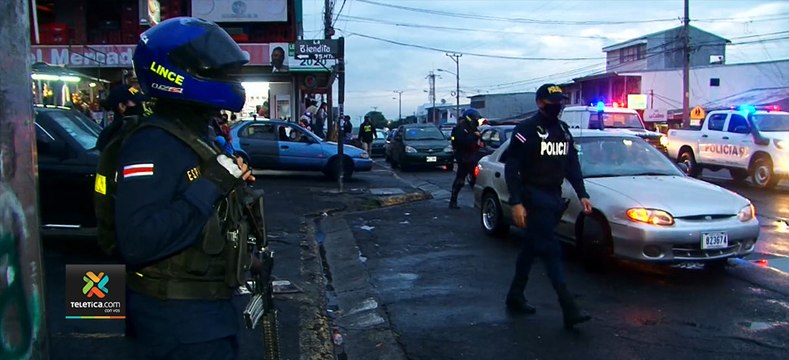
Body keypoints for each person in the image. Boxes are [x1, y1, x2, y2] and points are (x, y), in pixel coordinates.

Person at [104, 17, 256, 358]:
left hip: (208, 315)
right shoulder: (152, 143)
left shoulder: (196, 135)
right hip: (177, 325)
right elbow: (138, 241)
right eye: (218, 72)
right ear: (174, 73)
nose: (229, 80)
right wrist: (212, 184)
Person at [503, 83, 593, 330]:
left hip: (554, 196)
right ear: (540, 103)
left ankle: (515, 295)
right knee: (551, 250)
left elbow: (571, 164)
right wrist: (516, 201)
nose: (558, 105)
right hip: (533, 195)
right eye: (552, 101)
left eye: (560, 101)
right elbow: (512, 167)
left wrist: (582, 193)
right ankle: (569, 307)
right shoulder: (526, 130)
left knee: (531, 248)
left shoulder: (562, 130)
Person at [448, 108, 483, 209]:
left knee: (474, 179)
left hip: (471, 156)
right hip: (464, 157)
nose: (477, 120)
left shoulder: (471, 127)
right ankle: (453, 201)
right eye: (475, 118)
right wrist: (474, 136)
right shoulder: (461, 128)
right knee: (462, 179)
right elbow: (463, 141)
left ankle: (478, 202)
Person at [96, 84, 147, 150]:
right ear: (122, 106)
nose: (140, 105)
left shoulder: (107, 133)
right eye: (136, 102)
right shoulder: (117, 133)